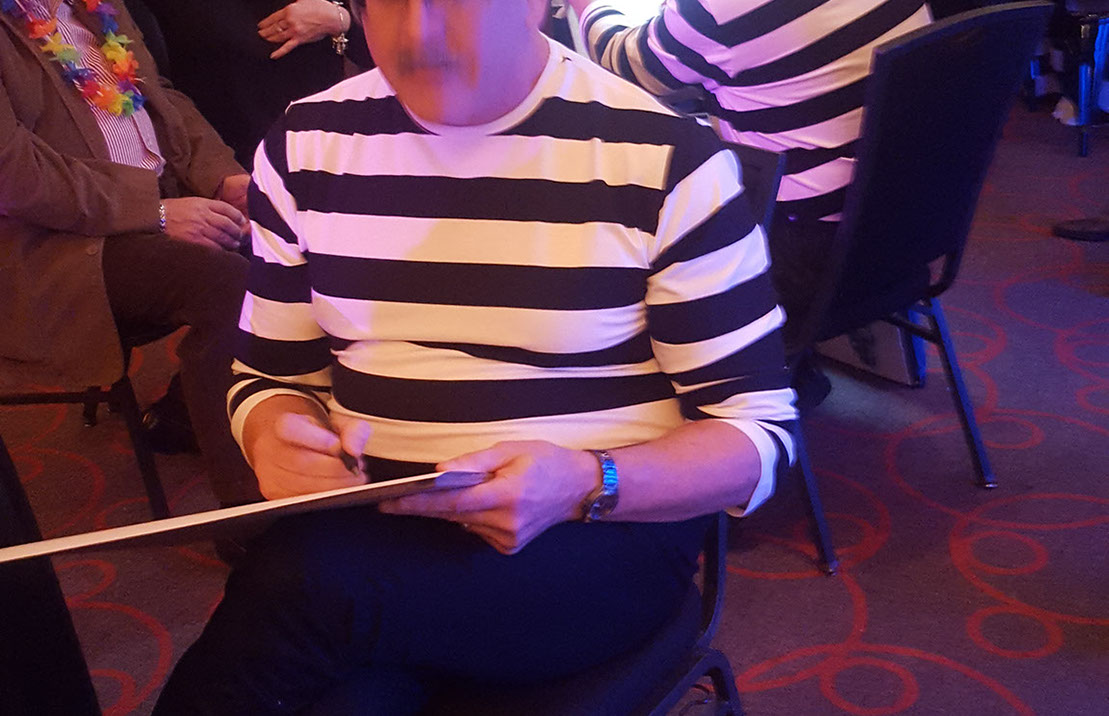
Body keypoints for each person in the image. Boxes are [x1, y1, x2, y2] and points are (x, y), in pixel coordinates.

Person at [152, 0, 797, 711]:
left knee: (300, 585)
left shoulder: (664, 156)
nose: (418, 34)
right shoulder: (306, 143)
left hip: (594, 534)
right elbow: (271, 374)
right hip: (376, 524)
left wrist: (587, 482)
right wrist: (272, 432)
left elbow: (756, 435)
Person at [0, 0, 260, 506]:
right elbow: (14, 175)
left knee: (288, 237)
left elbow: (160, 96)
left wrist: (223, 177)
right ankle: (251, 521)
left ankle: (188, 410)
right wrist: (153, 212)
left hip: (155, 200)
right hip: (51, 246)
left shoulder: (96, 5)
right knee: (226, 284)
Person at [568, 0, 932, 354]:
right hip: (910, 231)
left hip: (802, 258)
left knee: (608, 180)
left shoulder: (718, 11)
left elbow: (624, 60)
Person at [143, 0, 373, 168]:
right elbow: (149, 79)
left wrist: (338, 19)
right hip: (216, 156)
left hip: (320, 144)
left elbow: (376, 51)